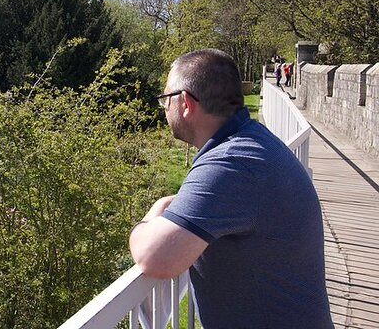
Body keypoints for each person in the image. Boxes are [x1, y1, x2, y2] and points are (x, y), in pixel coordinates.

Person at [129, 49, 333, 328]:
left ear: (185, 104)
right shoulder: (253, 142)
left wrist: (152, 215)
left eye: (166, 100)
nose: (164, 109)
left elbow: (155, 256)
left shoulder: (231, 162)